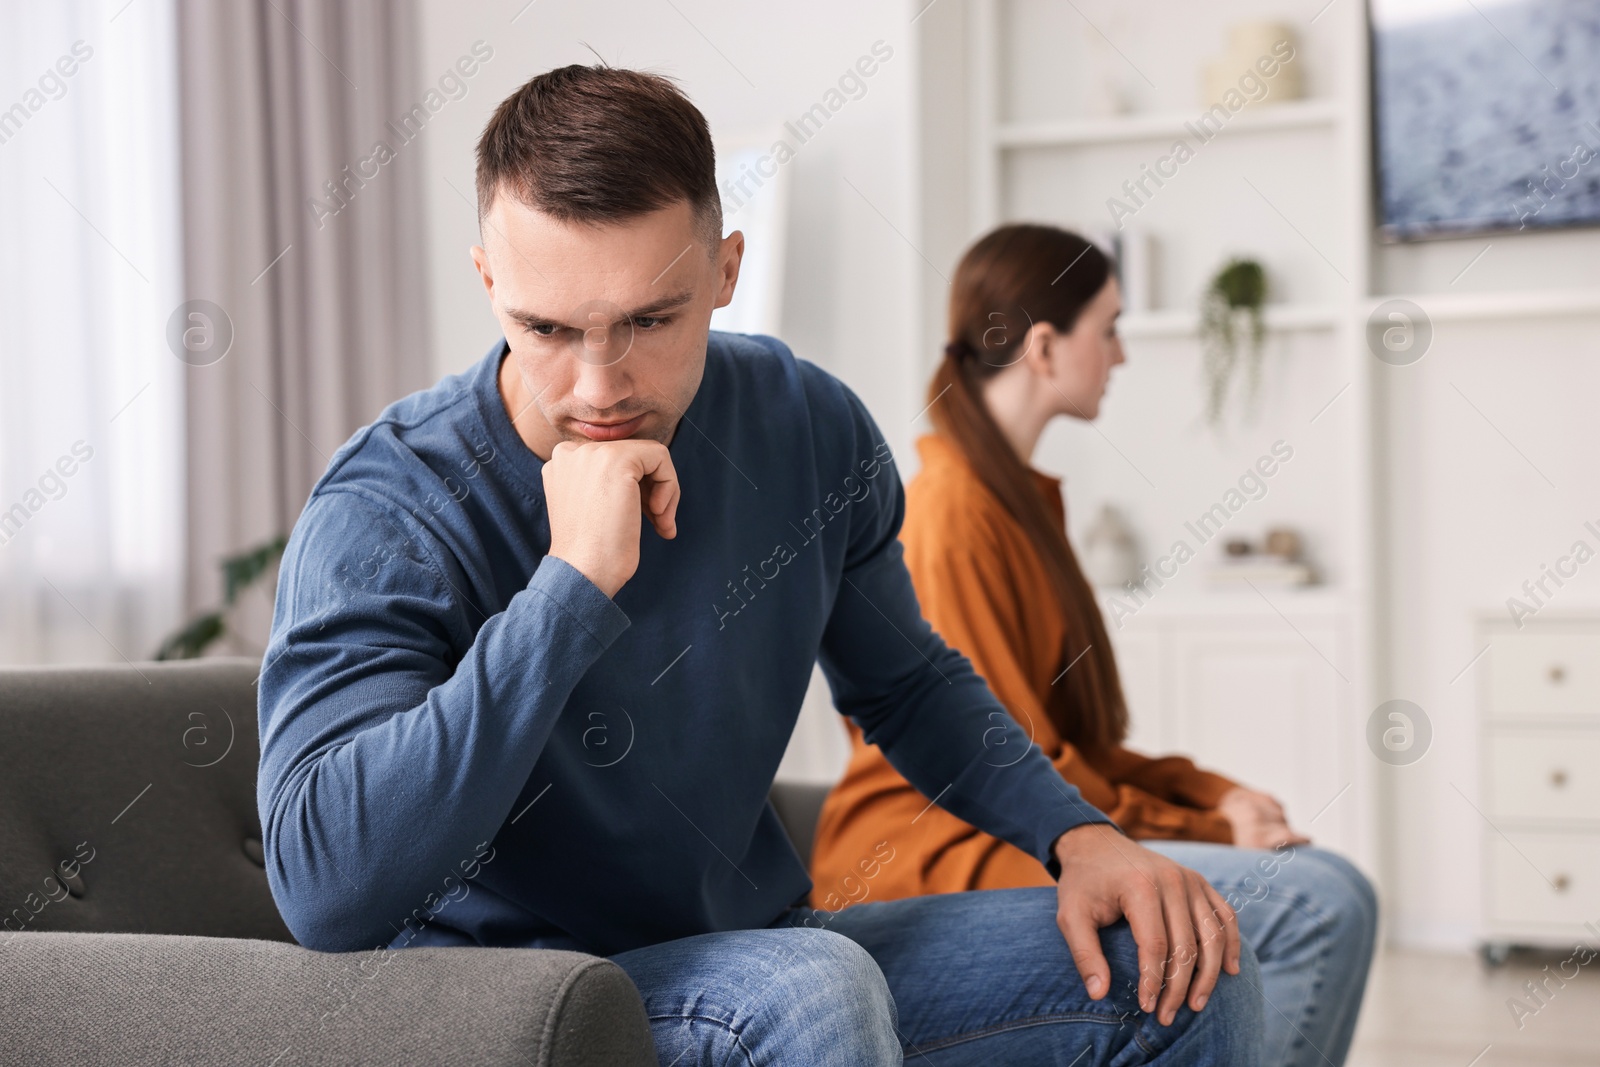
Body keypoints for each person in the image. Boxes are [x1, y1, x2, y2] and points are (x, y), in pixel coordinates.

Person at [256, 67, 1264, 1065]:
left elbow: (907, 684)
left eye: (650, 320)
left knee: (1178, 959)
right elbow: (325, 887)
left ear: (726, 271)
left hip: (748, 952)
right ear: (490, 283)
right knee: (806, 988)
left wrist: (1075, 833)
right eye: (548, 329)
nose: (598, 385)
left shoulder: (805, 423)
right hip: (510, 998)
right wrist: (566, 589)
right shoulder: (389, 505)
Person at [811, 223, 1378, 1066]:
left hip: (1017, 833)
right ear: (1044, 347)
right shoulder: (953, 515)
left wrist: (1214, 796)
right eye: (1108, 328)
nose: (1121, 355)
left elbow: (1083, 749)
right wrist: (1208, 826)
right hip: (943, 852)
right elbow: (1014, 762)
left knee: (1327, 888)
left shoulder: (1016, 502)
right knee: (1317, 903)